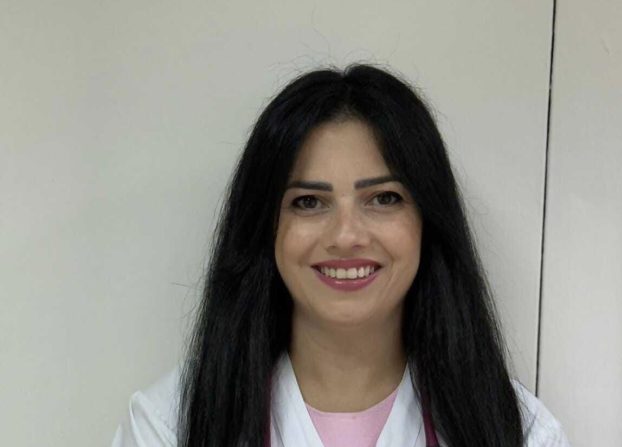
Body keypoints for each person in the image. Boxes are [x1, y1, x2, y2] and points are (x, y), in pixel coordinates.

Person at [112, 64, 571, 447]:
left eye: (384, 198)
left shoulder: (517, 431)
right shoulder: (170, 426)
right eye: (309, 202)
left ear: (428, 221)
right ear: (264, 228)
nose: (346, 235)